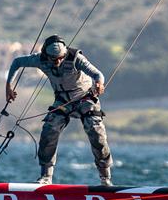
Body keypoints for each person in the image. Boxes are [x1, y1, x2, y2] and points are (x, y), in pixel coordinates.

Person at [6, 35, 113, 186]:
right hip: (63, 101)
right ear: (46, 54)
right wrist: (9, 86)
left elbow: (97, 74)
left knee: (95, 131)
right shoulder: (39, 59)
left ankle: (105, 177)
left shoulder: (76, 58)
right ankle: (46, 177)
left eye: (61, 57)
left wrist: (99, 84)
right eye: (53, 58)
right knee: (49, 129)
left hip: (85, 98)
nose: (58, 61)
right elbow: (17, 62)